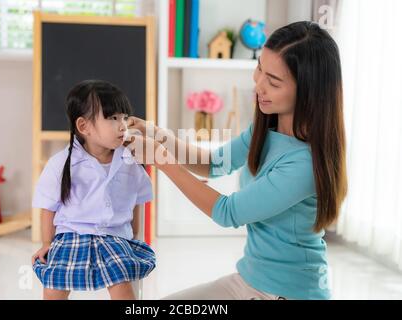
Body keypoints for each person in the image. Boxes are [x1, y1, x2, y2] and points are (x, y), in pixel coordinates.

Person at [125, 21, 347, 300]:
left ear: (308, 91)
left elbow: (228, 212)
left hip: (288, 293)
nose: (259, 85)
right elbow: (214, 163)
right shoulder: (266, 130)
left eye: (273, 81)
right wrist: (157, 136)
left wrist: (159, 158)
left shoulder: (304, 164)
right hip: (249, 282)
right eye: (259, 70)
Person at [31, 80, 155, 300]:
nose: (122, 126)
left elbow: (138, 202)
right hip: (71, 235)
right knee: (53, 287)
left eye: (124, 117)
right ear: (83, 126)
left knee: (123, 286)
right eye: (112, 118)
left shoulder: (131, 161)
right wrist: (47, 243)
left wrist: (135, 239)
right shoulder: (61, 163)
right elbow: (47, 208)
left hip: (114, 236)